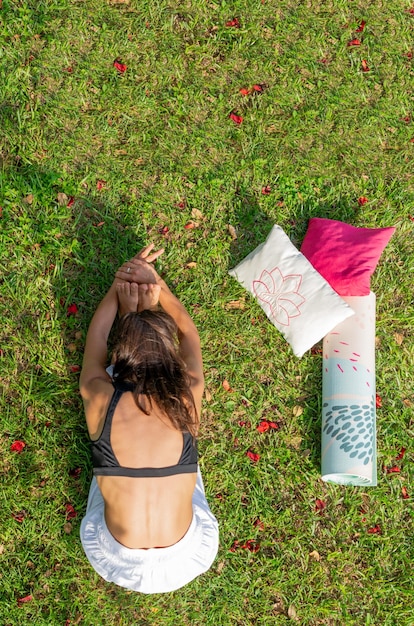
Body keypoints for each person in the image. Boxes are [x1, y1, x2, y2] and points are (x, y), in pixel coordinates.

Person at [79, 244, 219, 593]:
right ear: (170, 357)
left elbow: (95, 340)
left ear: (122, 350)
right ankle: (142, 320)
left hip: (114, 556)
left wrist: (118, 287)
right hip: (187, 554)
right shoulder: (188, 392)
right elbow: (190, 334)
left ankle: (134, 318)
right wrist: (158, 285)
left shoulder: (99, 394)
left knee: (109, 380)